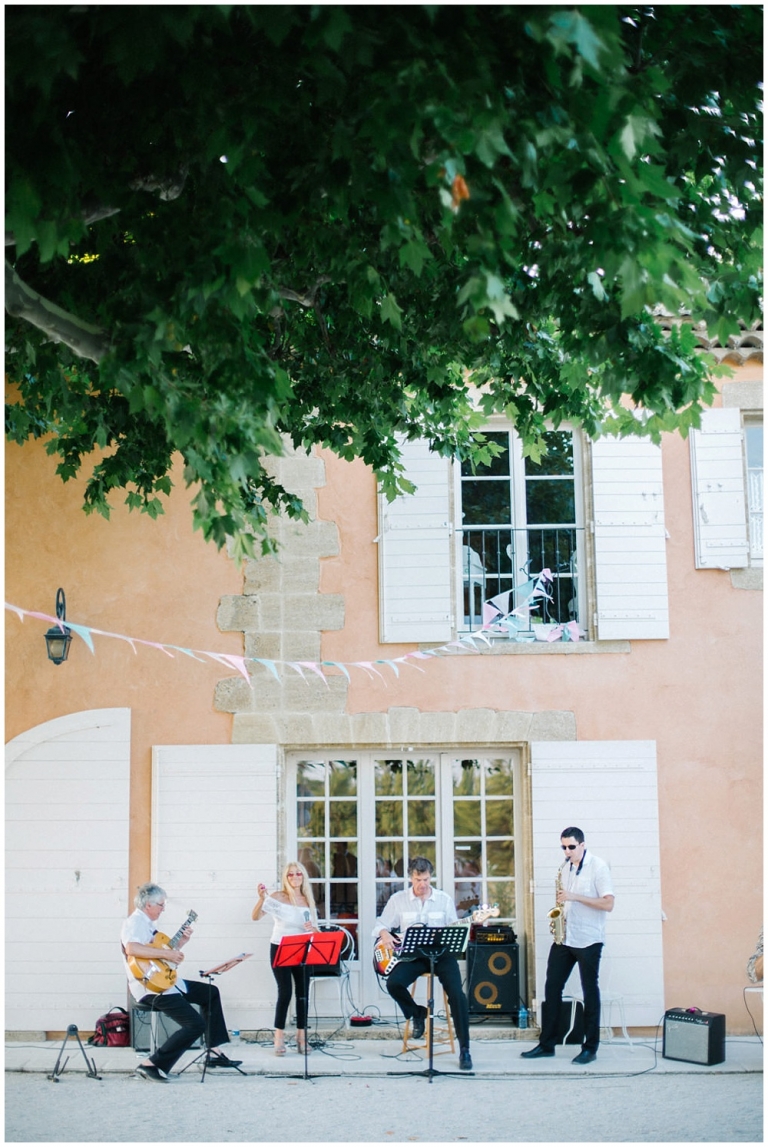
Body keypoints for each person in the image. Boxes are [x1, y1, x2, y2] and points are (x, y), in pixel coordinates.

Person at [121, 882, 242, 1082]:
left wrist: (180, 944)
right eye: (161, 904)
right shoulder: (135, 923)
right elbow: (132, 949)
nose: (163, 908)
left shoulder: (149, 925)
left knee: (210, 993)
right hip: (150, 988)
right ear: (148, 905)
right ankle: (151, 1064)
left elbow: (159, 957)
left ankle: (214, 1053)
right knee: (195, 1025)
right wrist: (168, 952)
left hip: (166, 982)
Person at [521, 827, 614, 1065]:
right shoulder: (567, 867)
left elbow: (608, 904)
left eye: (571, 847)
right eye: (563, 847)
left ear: (582, 844)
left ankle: (590, 1048)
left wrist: (574, 897)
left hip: (589, 939)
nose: (567, 851)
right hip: (565, 937)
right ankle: (547, 1044)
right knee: (552, 988)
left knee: (589, 992)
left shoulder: (599, 867)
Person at [373, 856, 472, 1071]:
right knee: (394, 983)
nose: (422, 885)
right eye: (418, 880)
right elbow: (380, 923)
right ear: (411, 878)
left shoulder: (443, 899)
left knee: (457, 994)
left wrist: (468, 924)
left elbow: (454, 928)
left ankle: (465, 1049)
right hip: (414, 956)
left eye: (426, 879)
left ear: (430, 877)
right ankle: (417, 1013)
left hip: (442, 956)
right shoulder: (398, 900)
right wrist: (385, 934)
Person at [252, 860, 319, 1056]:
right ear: (285, 878)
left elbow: (315, 928)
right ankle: (279, 1037)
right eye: (291, 874)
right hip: (280, 946)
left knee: (303, 993)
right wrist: (260, 898)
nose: (295, 877)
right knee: (285, 992)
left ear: (303, 877)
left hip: (303, 948)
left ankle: (301, 1037)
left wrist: (313, 929)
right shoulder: (279, 897)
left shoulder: (307, 899)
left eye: (298, 873)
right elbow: (256, 916)